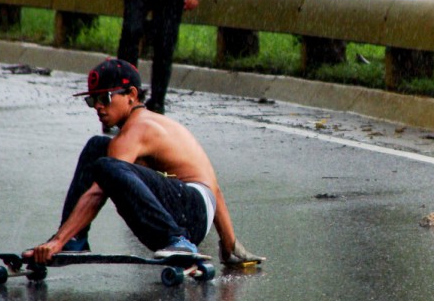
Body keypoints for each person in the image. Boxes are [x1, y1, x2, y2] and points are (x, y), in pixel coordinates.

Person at [23, 58, 264, 267]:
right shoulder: (155, 124)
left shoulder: (136, 131)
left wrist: (57, 241)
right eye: (92, 100)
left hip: (188, 213)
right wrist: (230, 247)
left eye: (105, 98)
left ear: (132, 96)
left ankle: (176, 241)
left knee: (105, 166)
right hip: (196, 208)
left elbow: (97, 192)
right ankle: (75, 241)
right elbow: (214, 189)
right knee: (97, 147)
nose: (97, 106)